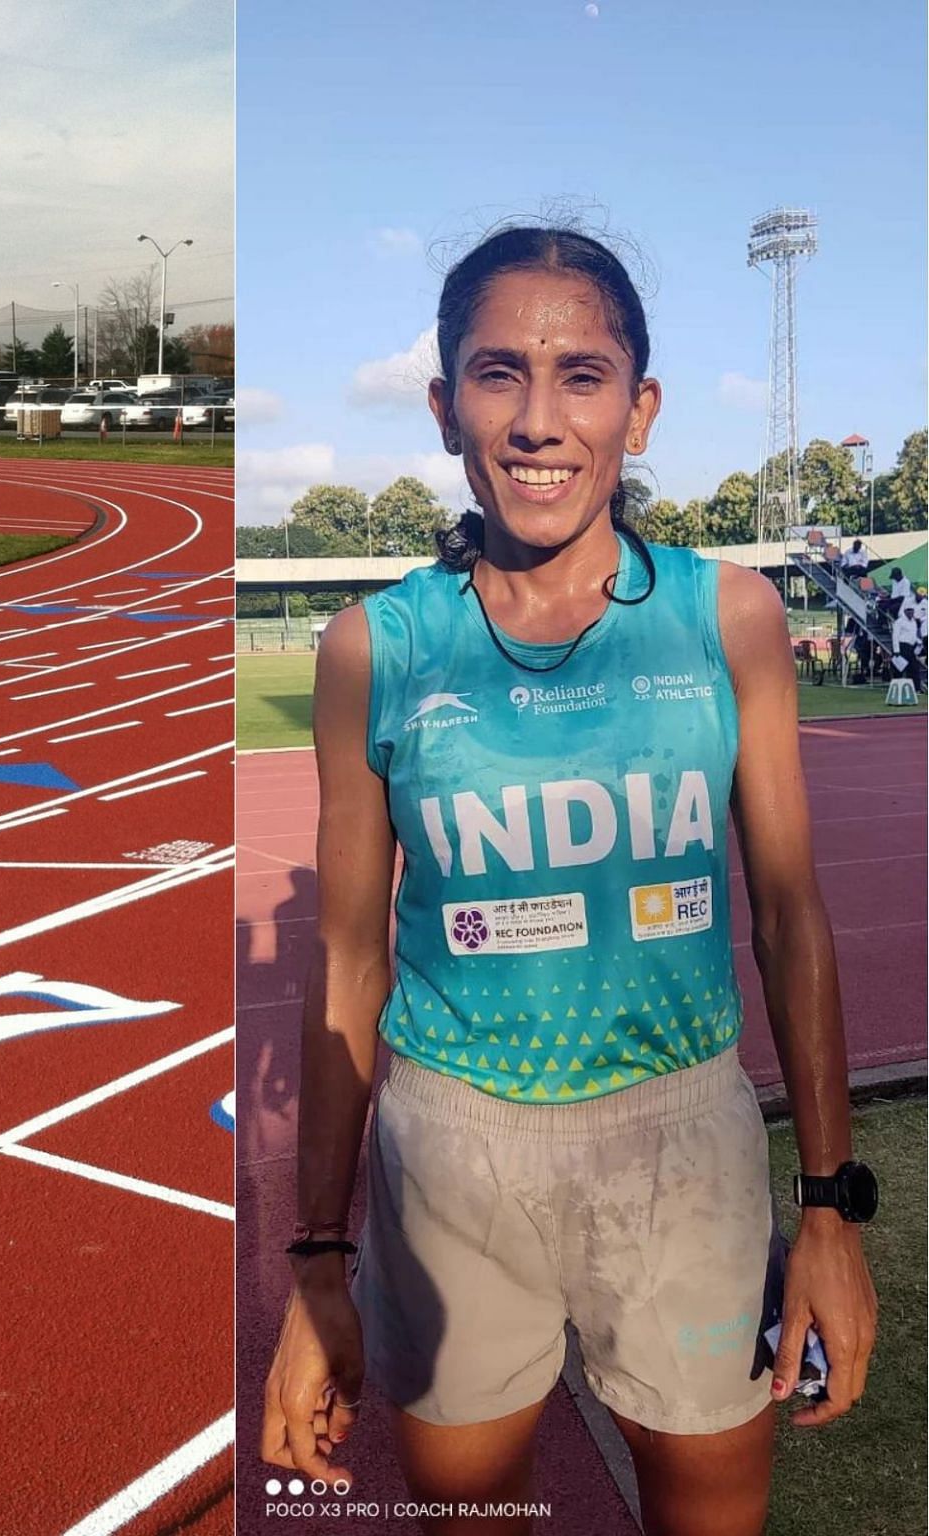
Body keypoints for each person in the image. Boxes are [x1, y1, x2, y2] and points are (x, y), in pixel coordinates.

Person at [261, 226, 878, 1536]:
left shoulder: (732, 620)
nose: (540, 421)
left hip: (683, 1149)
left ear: (639, 406)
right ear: (443, 407)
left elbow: (788, 912)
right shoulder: (373, 648)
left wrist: (827, 1208)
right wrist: (319, 1254)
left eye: (583, 375)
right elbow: (351, 960)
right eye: (499, 374)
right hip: (450, 1158)